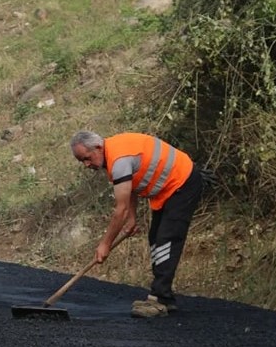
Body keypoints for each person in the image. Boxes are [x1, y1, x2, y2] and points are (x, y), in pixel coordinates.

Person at [69, 130, 204, 318]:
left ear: (98, 148)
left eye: (87, 158)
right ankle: (164, 296)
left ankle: (160, 298)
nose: (86, 165)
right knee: (155, 237)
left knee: (166, 239)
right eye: (81, 161)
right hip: (168, 190)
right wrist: (132, 218)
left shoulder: (119, 160)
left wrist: (105, 244)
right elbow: (130, 187)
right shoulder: (112, 157)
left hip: (182, 182)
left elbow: (120, 210)